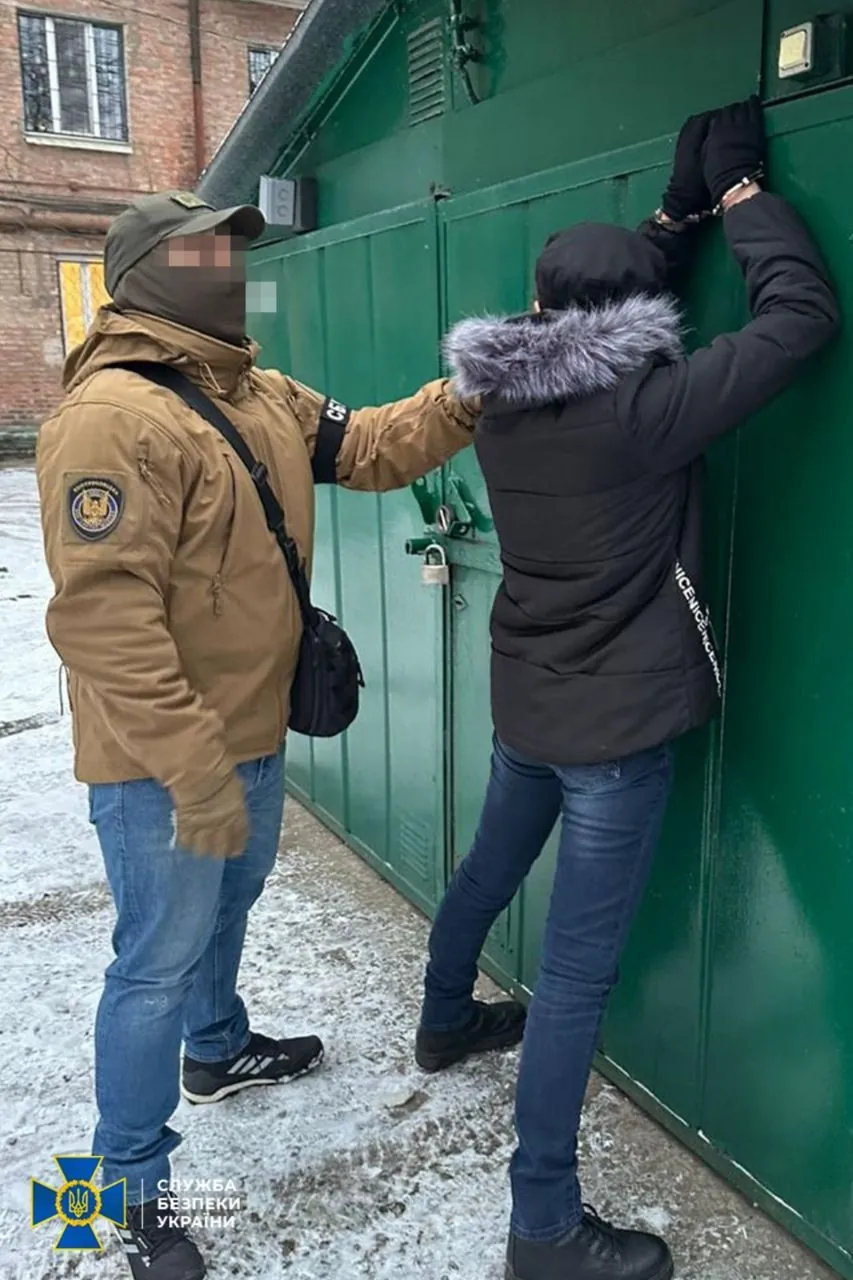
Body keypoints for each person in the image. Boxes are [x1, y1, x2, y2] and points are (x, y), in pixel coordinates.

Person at [415, 99, 839, 1280]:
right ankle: (543, 1226)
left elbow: (593, 311)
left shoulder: (496, 400)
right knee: (572, 978)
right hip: (611, 733)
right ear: (627, 323)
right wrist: (742, 198)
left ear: (538, 304)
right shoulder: (646, 412)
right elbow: (800, 317)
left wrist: (672, 216)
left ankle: (443, 1014)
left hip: (529, 703)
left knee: (489, 868)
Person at [35, 190, 481, 1280]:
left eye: (234, 250)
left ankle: (217, 1048)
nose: (233, 269)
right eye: (209, 253)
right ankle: (124, 1188)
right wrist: (193, 773)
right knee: (152, 964)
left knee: (224, 913)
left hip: (249, 734)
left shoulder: (256, 389)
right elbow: (105, 623)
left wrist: (474, 387)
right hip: (162, 761)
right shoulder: (110, 421)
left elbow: (370, 446)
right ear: (150, 274)